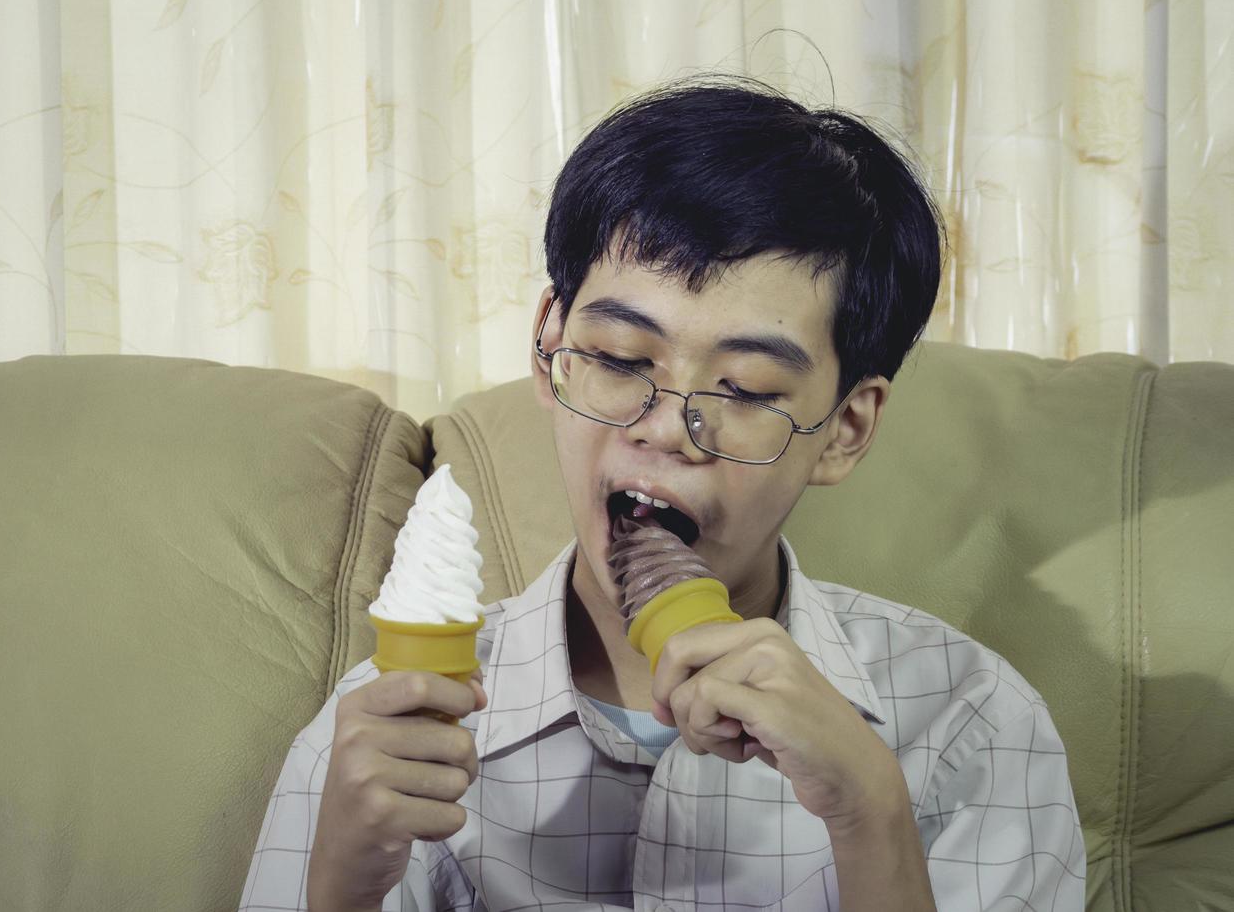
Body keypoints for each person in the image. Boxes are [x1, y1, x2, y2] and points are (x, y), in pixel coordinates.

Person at [239, 76, 1086, 911]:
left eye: (748, 389)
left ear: (845, 429)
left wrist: (871, 812)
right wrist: (339, 888)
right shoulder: (382, 733)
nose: (666, 429)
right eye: (616, 359)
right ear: (548, 348)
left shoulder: (971, 722)